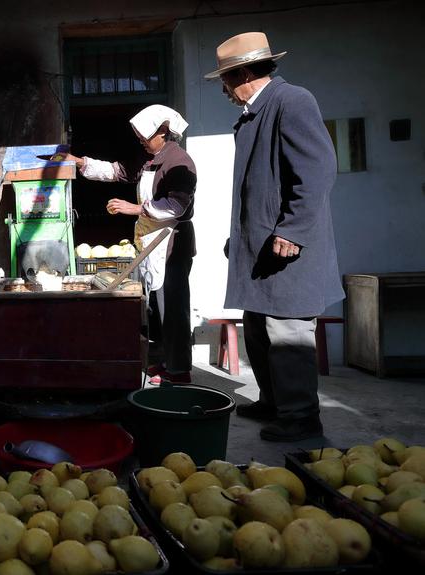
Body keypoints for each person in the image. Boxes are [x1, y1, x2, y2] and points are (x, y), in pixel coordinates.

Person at [206, 32, 344, 441]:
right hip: (261, 249)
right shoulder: (253, 114)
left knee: (288, 335)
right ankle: (273, 401)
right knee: (258, 329)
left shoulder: (292, 101)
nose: (225, 90)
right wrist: (243, 237)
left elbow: (317, 170)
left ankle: (301, 418)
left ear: (244, 73)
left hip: (286, 248)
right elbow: (259, 187)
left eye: (226, 80)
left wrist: (294, 229)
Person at [58, 105, 197, 385]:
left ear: (162, 132)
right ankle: (166, 361)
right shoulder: (150, 158)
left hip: (172, 242)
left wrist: (134, 209)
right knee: (158, 307)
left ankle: (180, 370)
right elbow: (117, 171)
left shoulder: (179, 161)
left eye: (144, 136)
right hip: (152, 241)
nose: (140, 141)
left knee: (173, 305)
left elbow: (177, 206)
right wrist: (80, 162)